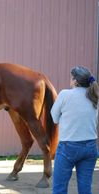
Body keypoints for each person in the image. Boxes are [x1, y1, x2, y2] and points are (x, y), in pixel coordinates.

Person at [50, 66, 99, 194]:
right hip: (91, 146)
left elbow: (54, 118)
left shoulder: (65, 94)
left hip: (68, 147)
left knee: (59, 189)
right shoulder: (95, 96)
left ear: (75, 81)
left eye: (71, 78)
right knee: (85, 189)